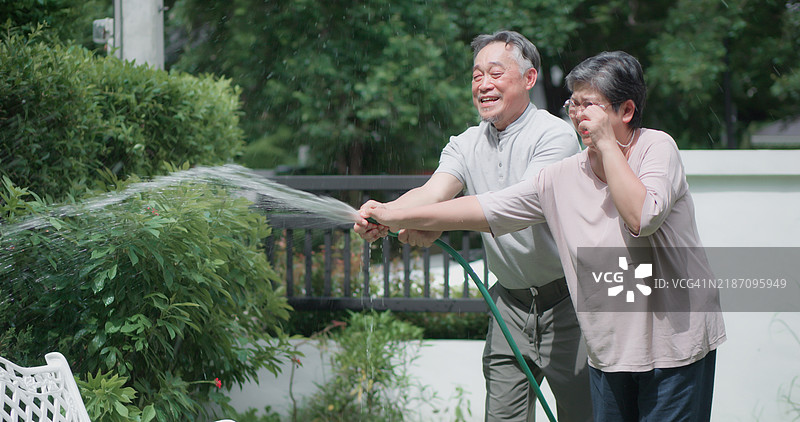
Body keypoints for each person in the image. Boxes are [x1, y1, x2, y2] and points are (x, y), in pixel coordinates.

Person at [362, 51, 726, 421]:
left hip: (676, 346)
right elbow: (489, 208)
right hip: (611, 349)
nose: (579, 113)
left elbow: (640, 217)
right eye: (575, 103)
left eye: (591, 105)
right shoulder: (562, 177)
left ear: (626, 111)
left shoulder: (656, 148)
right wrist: (393, 214)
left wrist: (606, 145)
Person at [354, 30, 593, 421]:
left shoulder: (555, 136)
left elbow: (513, 207)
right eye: (476, 75)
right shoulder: (465, 143)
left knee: (584, 415)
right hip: (510, 306)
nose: (483, 85)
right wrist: (384, 212)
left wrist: (406, 217)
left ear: (529, 78)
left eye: (495, 73)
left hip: (568, 305)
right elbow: (433, 193)